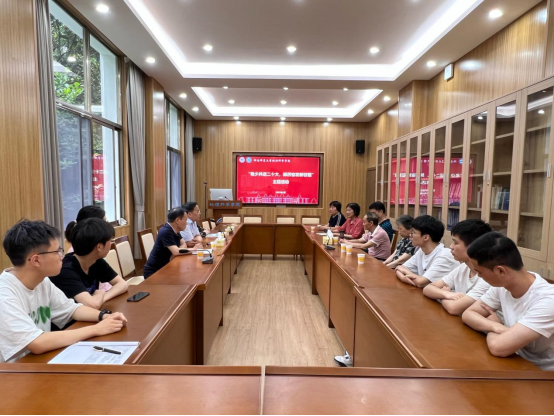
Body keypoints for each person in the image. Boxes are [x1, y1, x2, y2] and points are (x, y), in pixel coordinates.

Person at [0, 220, 127, 363]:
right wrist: (96, 329)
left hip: (38, 361)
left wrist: (105, 316)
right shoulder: (4, 293)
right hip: (13, 370)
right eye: (57, 251)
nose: (62, 256)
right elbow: (36, 343)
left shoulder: (43, 281)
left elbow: (71, 309)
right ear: (36, 260)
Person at [462, 232, 554, 370]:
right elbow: (468, 314)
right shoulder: (502, 286)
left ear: (500, 271)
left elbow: (498, 348)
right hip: (516, 361)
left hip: (544, 373)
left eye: (480, 272)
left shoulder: (548, 300)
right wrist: (495, 326)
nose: (479, 277)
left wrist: (495, 324)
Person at [50, 218, 129, 309]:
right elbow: (92, 305)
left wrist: (102, 297)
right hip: (70, 317)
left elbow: (123, 284)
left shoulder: (96, 261)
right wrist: (99, 293)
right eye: (110, 240)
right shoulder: (66, 270)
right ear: (99, 246)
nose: (111, 243)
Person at [423, 219, 492, 315]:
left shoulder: (488, 278)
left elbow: (454, 308)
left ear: (473, 246)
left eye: (455, 243)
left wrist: (442, 296)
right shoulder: (463, 267)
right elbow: (427, 289)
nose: (451, 247)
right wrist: (447, 294)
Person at [395, 215, 458, 288]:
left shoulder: (445, 255)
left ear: (425, 237)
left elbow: (421, 282)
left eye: (413, 232)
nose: (410, 235)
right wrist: (403, 277)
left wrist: (405, 272)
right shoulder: (421, 251)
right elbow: (399, 268)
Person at [143, 208, 190, 278]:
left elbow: (183, 244)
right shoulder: (166, 231)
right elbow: (176, 251)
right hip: (154, 272)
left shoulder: (175, 230)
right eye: (185, 220)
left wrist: (176, 253)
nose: (187, 223)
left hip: (167, 266)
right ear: (177, 220)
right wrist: (195, 249)